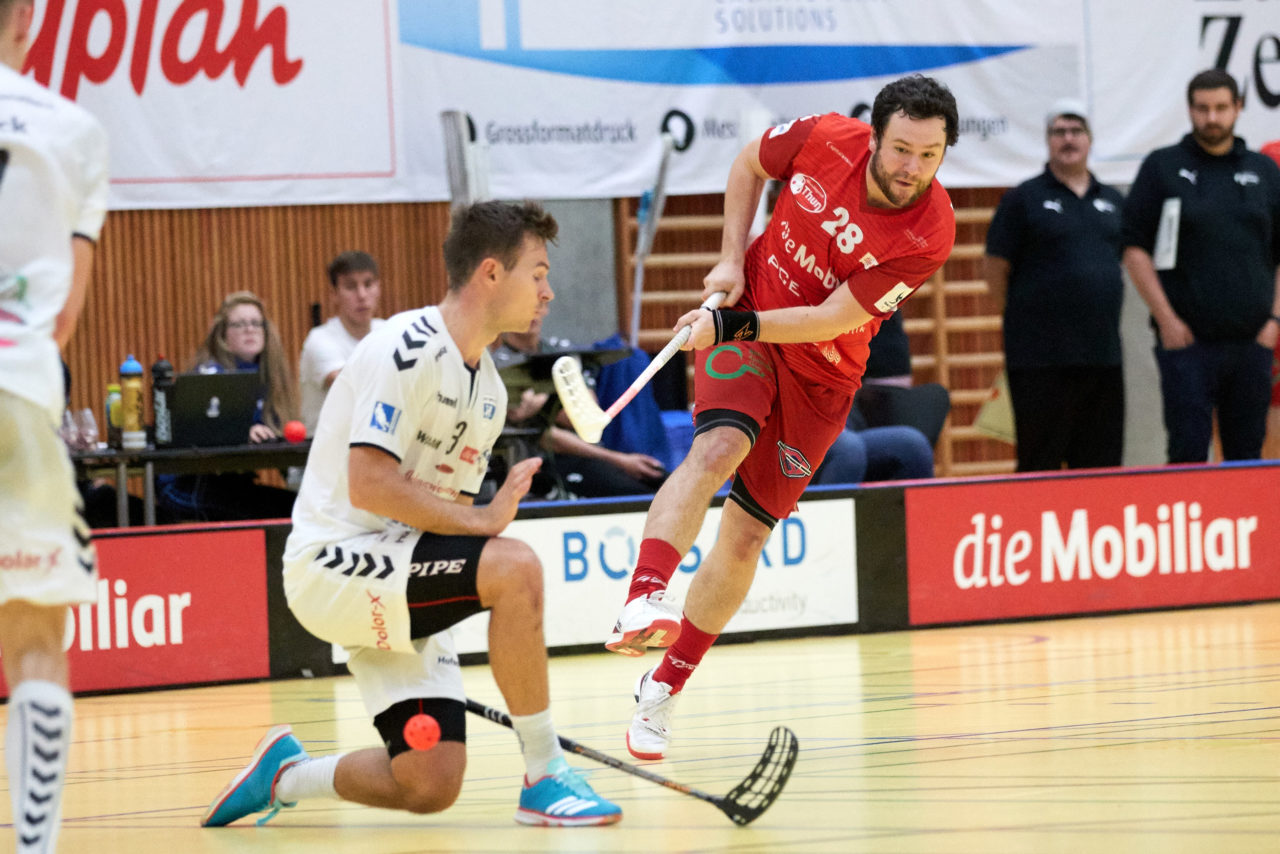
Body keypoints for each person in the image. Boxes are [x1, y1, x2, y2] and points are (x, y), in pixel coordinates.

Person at [200, 200, 620, 828]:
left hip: (399, 569)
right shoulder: (405, 347)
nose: (548, 292)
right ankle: (545, 772)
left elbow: (444, 521)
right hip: (333, 563)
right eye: (537, 273)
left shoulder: (490, 392)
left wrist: (471, 534)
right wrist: (485, 522)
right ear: (490, 273)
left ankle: (284, 776)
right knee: (516, 568)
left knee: (428, 782)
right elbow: (369, 483)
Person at [604, 74, 959, 759]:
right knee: (718, 450)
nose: (911, 168)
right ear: (874, 136)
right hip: (752, 321)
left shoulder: (931, 231)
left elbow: (832, 318)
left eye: (929, 155)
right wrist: (730, 258)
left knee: (744, 538)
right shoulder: (824, 137)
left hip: (821, 376)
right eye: (901, 149)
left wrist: (729, 326)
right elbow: (748, 164)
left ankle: (664, 686)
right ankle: (643, 596)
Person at [0, 1, 109, 850]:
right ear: (28, 18)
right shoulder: (71, 129)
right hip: (16, 385)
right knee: (35, 640)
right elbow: (65, 316)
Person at [1122, 70, 1280, 464]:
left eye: (1221, 108)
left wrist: (1274, 321)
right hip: (1186, 343)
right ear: (1190, 110)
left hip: (1252, 343)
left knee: (1247, 457)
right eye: (1203, 108)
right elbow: (1134, 249)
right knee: (1187, 453)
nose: (1212, 118)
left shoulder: (1264, 171)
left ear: (1238, 108)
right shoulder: (1162, 167)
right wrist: (1166, 320)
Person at [985, 98, 1126, 471]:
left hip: (1102, 357)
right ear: (1047, 140)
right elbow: (995, 267)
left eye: (1076, 131)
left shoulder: (1113, 200)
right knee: (1039, 464)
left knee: (1101, 467)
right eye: (1059, 131)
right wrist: (1024, 317)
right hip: (1039, 360)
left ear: (1090, 139)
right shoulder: (1022, 199)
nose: (1068, 139)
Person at [157, 291, 300, 522]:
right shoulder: (210, 376)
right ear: (223, 334)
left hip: (231, 484)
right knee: (279, 512)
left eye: (256, 323)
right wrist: (239, 431)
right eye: (239, 324)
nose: (249, 329)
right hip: (187, 485)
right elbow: (196, 432)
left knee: (297, 507)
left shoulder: (269, 380)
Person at [493, 316, 667, 499]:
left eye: (541, 304)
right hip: (548, 463)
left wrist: (545, 396)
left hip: (598, 455)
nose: (534, 313)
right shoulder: (498, 362)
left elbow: (587, 417)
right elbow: (543, 432)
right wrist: (620, 460)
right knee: (642, 496)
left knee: (665, 482)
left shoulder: (561, 351)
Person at [298, 251, 385, 435]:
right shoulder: (319, 340)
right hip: (326, 449)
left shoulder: (389, 332)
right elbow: (349, 386)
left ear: (378, 288)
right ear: (334, 294)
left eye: (368, 284)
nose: (362, 295)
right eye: (351, 287)